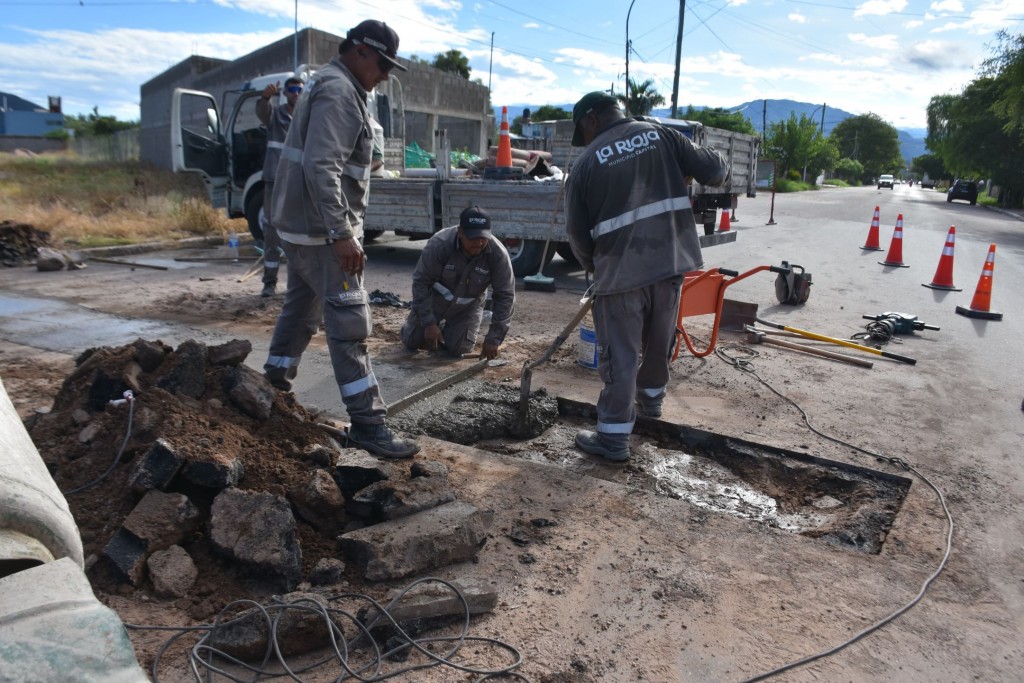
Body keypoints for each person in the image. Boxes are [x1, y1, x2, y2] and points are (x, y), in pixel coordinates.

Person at [263, 19, 419, 459]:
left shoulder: (336, 86)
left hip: (299, 226)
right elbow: (322, 166)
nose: (386, 74)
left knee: (301, 307)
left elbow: (336, 161)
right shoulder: (338, 91)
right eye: (382, 63)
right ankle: (369, 424)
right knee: (349, 321)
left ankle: (272, 385)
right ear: (359, 51)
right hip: (320, 230)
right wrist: (342, 233)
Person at [564, 92, 728, 462]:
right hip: (670, 265)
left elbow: (576, 234)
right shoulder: (662, 135)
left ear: (591, 120)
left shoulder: (587, 163)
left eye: (582, 132)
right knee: (658, 341)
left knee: (620, 355)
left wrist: (596, 267)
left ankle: (612, 439)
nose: (585, 141)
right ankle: (652, 404)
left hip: (620, 275)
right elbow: (716, 172)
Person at [400, 206, 515, 360]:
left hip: (468, 307)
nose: (479, 243)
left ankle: (449, 331)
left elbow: (506, 296)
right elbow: (421, 283)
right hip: (435, 302)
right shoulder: (439, 244)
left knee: (460, 348)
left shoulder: (498, 254)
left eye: (483, 237)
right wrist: (428, 323)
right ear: (460, 232)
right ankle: (417, 325)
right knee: (412, 341)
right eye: (473, 237)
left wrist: (494, 339)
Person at [255, 75, 303, 297]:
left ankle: (299, 286)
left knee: (299, 234)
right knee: (272, 235)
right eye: (292, 89)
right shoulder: (275, 115)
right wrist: (265, 98)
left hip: (297, 183)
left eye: (300, 90)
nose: (296, 93)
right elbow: (262, 112)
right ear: (284, 93)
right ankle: (269, 283)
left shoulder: (305, 118)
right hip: (275, 181)